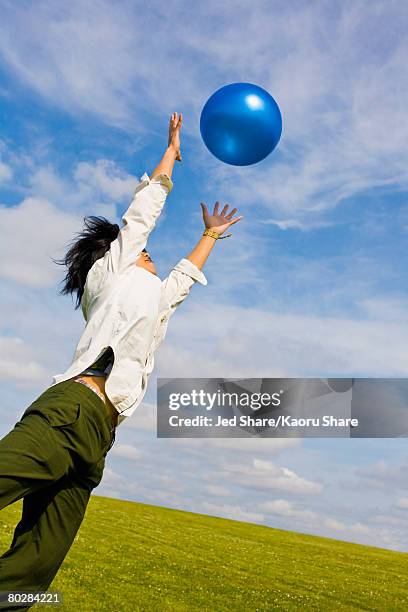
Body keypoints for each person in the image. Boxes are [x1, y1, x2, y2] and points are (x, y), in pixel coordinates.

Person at [0, 112, 243, 608]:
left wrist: (211, 236)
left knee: (32, 576)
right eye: (143, 251)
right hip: (68, 412)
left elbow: (179, 284)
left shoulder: (149, 296)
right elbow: (141, 216)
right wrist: (172, 152)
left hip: (98, 439)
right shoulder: (106, 278)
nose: (149, 254)